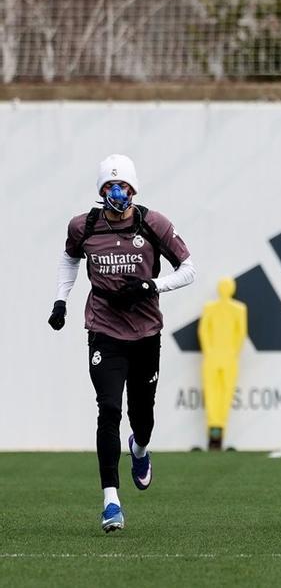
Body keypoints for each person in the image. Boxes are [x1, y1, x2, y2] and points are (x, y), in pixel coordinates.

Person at [47, 154, 196, 533]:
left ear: (133, 188)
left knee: (142, 417)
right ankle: (111, 501)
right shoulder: (84, 226)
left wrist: (151, 285)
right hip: (104, 330)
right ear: (101, 191)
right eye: (111, 186)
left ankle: (140, 449)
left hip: (145, 332)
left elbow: (189, 269)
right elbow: (69, 259)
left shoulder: (152, 223)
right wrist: (61, 300)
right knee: (108, 408)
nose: (118, 192)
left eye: (124, 186)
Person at [198, 277, 248, 451]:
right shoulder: (214, 308)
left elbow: (240, 333)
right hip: (220, 357)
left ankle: (217, 433)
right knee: (216, 395)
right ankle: (215, 433)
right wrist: (212, 351)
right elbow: (204, 331)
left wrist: (229, 352)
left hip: (222, 357)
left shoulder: (238, 309)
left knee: (221, 396)